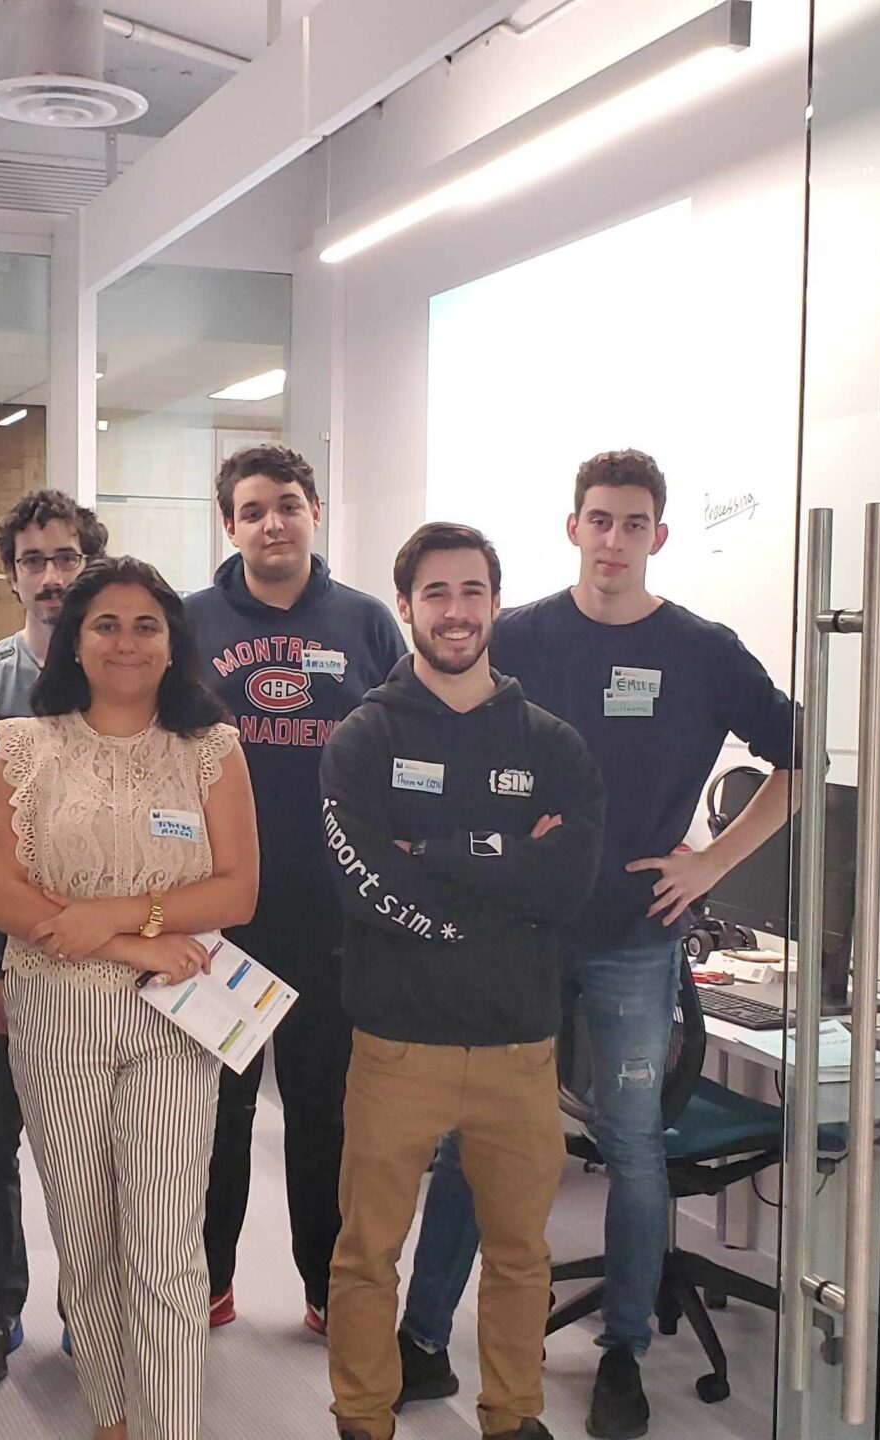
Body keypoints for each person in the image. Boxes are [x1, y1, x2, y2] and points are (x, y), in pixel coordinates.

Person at [396, 451, 797, 1437]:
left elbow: (802, 755)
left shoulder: (703, 651)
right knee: (470, 1141)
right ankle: (421, 1339)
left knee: (632, 1146)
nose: (614, 540)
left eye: (634, 523)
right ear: (572, 527)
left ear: (659, 535)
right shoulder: (519, 636)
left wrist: (712, 862)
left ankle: (622, 1351)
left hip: (631, 937)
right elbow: (439, 746)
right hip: (516, 935)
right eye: (600, 520)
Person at [320, 523, 605, 1440]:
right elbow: (364, 883)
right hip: (398, 1043)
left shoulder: (552, 743)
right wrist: (505, 878)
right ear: (405, 606)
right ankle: (363, 1415)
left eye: (472, 591)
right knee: (367, 1253)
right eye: (435, 593)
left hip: (519, 1045)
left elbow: (568, 883)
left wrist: (439, 855)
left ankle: (512, 1415)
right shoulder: (363, 738)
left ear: (495, 602)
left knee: (521, 1255)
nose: (455, 611)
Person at [0, 556, 260, 1440]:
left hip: (175, 1016)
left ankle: (169, 1426)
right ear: (74, 641)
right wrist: (133, 940)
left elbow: (238, 890)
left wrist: (115, 916)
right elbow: (1, 897)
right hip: (56, 1014)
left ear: (173, 644)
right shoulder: (26, 747)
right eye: (106, 624)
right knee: (87, 1240)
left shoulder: (211, 750)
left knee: (166, 1245)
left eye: (146, 626)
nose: (126, 642)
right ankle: (110, 1416)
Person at [183, 444, 405, 1333]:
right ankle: (206, 1282)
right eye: (252, 510)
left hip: (334, 915)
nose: (271, 523)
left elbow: (402, 746)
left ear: (314, 511)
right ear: (228, 525)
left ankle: (327, 1288)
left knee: (324, 1115)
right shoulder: (190, 622)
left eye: (286, 504)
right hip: (223, 912)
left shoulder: (365, 622)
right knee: (214, 1112)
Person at [0, 489, 110, 1385]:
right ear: (11, 576)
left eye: (67, 557)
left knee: (91, 1145)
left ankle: (90, 1305)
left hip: (104, 963)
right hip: (2, 954)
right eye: (33, 561)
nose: (51, 577)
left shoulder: (128, 680)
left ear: (91, 565)